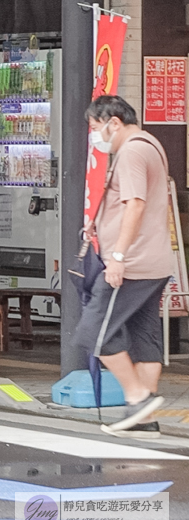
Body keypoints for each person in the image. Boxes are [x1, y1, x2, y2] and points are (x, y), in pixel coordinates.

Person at [77, 95, 181, 436]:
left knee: (95, 330)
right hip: (154, 262)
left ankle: (136, 396)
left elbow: (134, 204)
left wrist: (117, 256)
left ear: (114, 122)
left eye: (95, 128)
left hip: (132, 263)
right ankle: (144, 416)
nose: (95, 135)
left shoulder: (133, 151)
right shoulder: (151, 144)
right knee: (144, 334)